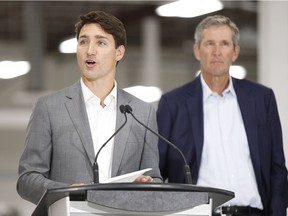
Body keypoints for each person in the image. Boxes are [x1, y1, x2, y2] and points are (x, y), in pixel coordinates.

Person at [17, 10, 162, 205]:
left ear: (119, 52)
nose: (89, 50)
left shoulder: (142, 113)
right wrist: (65, 192)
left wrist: (147, 183)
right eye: (83, 42)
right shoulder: (49, 108)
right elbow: (27, 179)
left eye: (100, 42)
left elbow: (154, 177)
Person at [157, 15, 287, 216]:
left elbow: (277, 168)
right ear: (197, 50)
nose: (217, 52)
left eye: (224, 44)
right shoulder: (173, 103)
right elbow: (158, 170)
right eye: (209, 44)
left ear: (235, 52)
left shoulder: (262, 99)